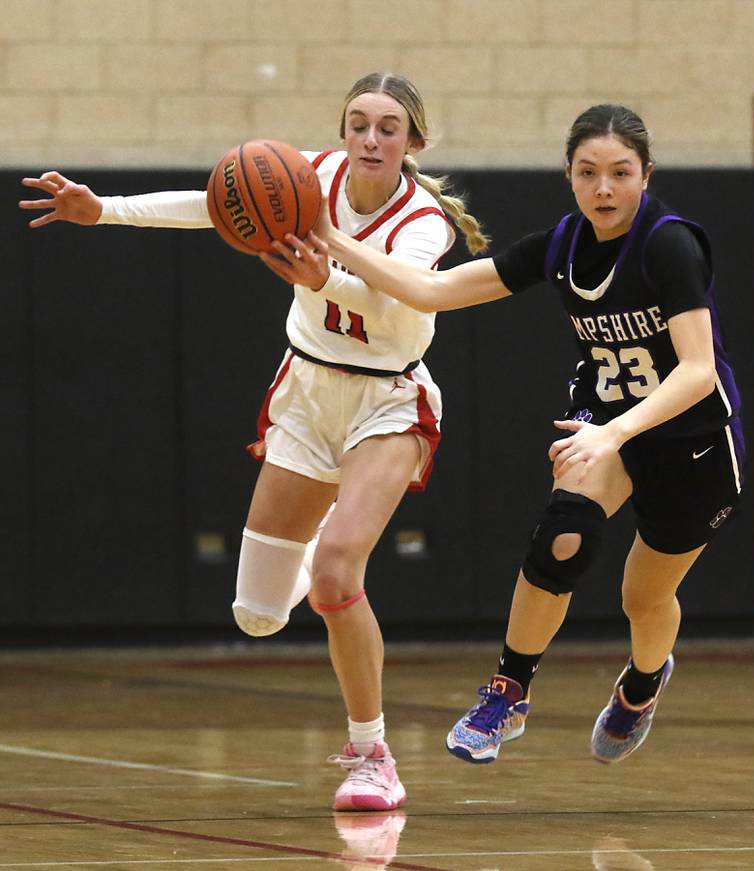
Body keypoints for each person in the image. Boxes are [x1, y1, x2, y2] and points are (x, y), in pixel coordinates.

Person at [18, 71, 489, 809]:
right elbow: (214, 205)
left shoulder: (425, 221)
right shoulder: (310, 176)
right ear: (342, 132)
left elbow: (398, 302)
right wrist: (100, 209)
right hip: (305, 392)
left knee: (336, 575)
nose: (370, 138)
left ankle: (372, 755)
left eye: (388, 127)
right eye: (358, 122)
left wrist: (325, 273)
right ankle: (318, 549)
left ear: (413, 142)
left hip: (389, 397)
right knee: (258, 614)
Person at [292, 103, 744, 766]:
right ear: (569, 175)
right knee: (563, 538)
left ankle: (644, 684)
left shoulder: (669, 244)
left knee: (643, 598)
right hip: (605, 424)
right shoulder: (562, 245)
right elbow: (432, 290)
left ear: (646, 175)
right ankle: (507, 692)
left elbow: (699, 371)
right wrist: (335, 241)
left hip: (691, 437)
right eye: (588, 172)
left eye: (621, 172)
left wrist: (615, 433)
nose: (604, 188)